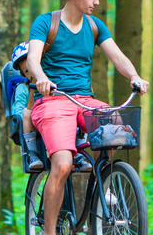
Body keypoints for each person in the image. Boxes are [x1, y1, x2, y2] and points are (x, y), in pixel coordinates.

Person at [26, 0, 149, 235]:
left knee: (116, 128)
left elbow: (117, 56)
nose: (96, 1)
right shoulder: (46, 23)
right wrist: (41, 79)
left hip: (85, 100)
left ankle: (107, 181)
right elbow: (33, 59)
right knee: (64, 164)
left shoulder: (95, 26)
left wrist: (134, 76)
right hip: (53, 100)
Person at [8, 41, 92, 174]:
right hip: (36, 123)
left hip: (59, 118)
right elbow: (18, 112)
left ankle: (79, 154)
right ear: (24, 74)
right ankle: (33, 154)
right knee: (25, 113)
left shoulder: (56, 83)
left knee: (80, 109)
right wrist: (33, 89)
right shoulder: (23, 89)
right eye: (28, 71)